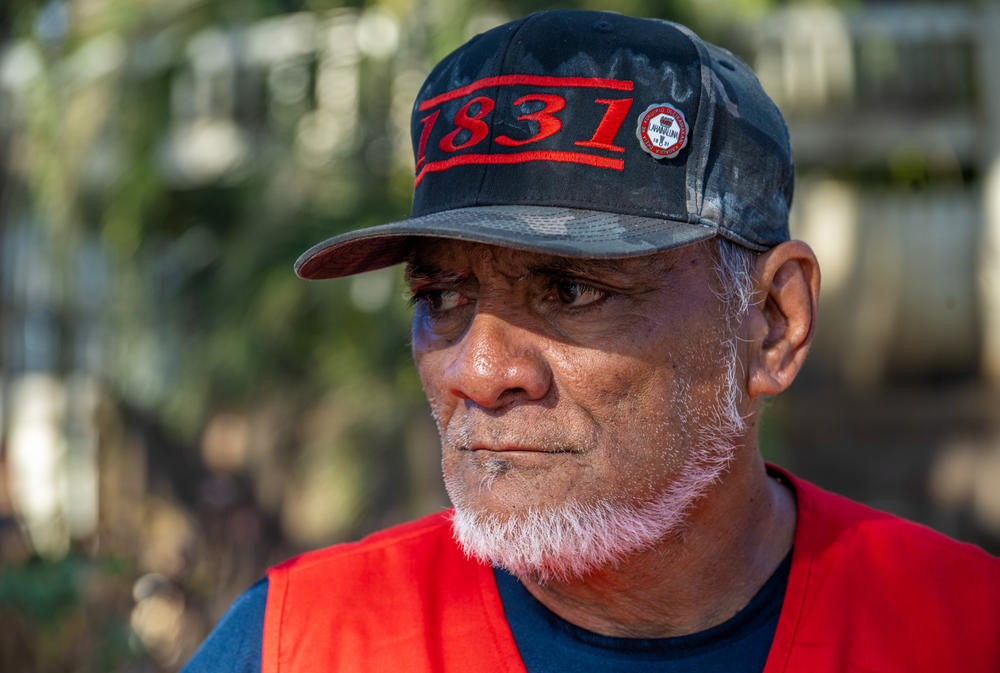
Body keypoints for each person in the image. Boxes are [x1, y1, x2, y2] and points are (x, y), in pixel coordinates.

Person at [182, 10, 1000, 673]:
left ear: (771, 325)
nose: (480, 370)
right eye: (441, 295)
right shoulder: (302, 643)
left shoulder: (964, 629)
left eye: (573, 290)